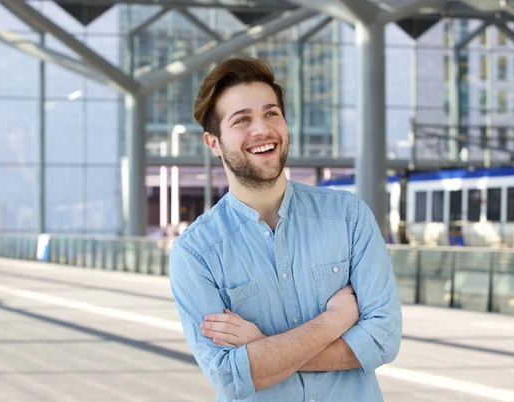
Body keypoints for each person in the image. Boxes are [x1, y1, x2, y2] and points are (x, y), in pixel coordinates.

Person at [169, 57, 402, 402]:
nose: (262, 129)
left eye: (271, 113)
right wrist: (335, 321)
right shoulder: (196, 252)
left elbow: (383, 338)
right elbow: (229, 376)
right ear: (213, 143)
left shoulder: (349, 216)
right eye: (242, 120)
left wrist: (260, 348)